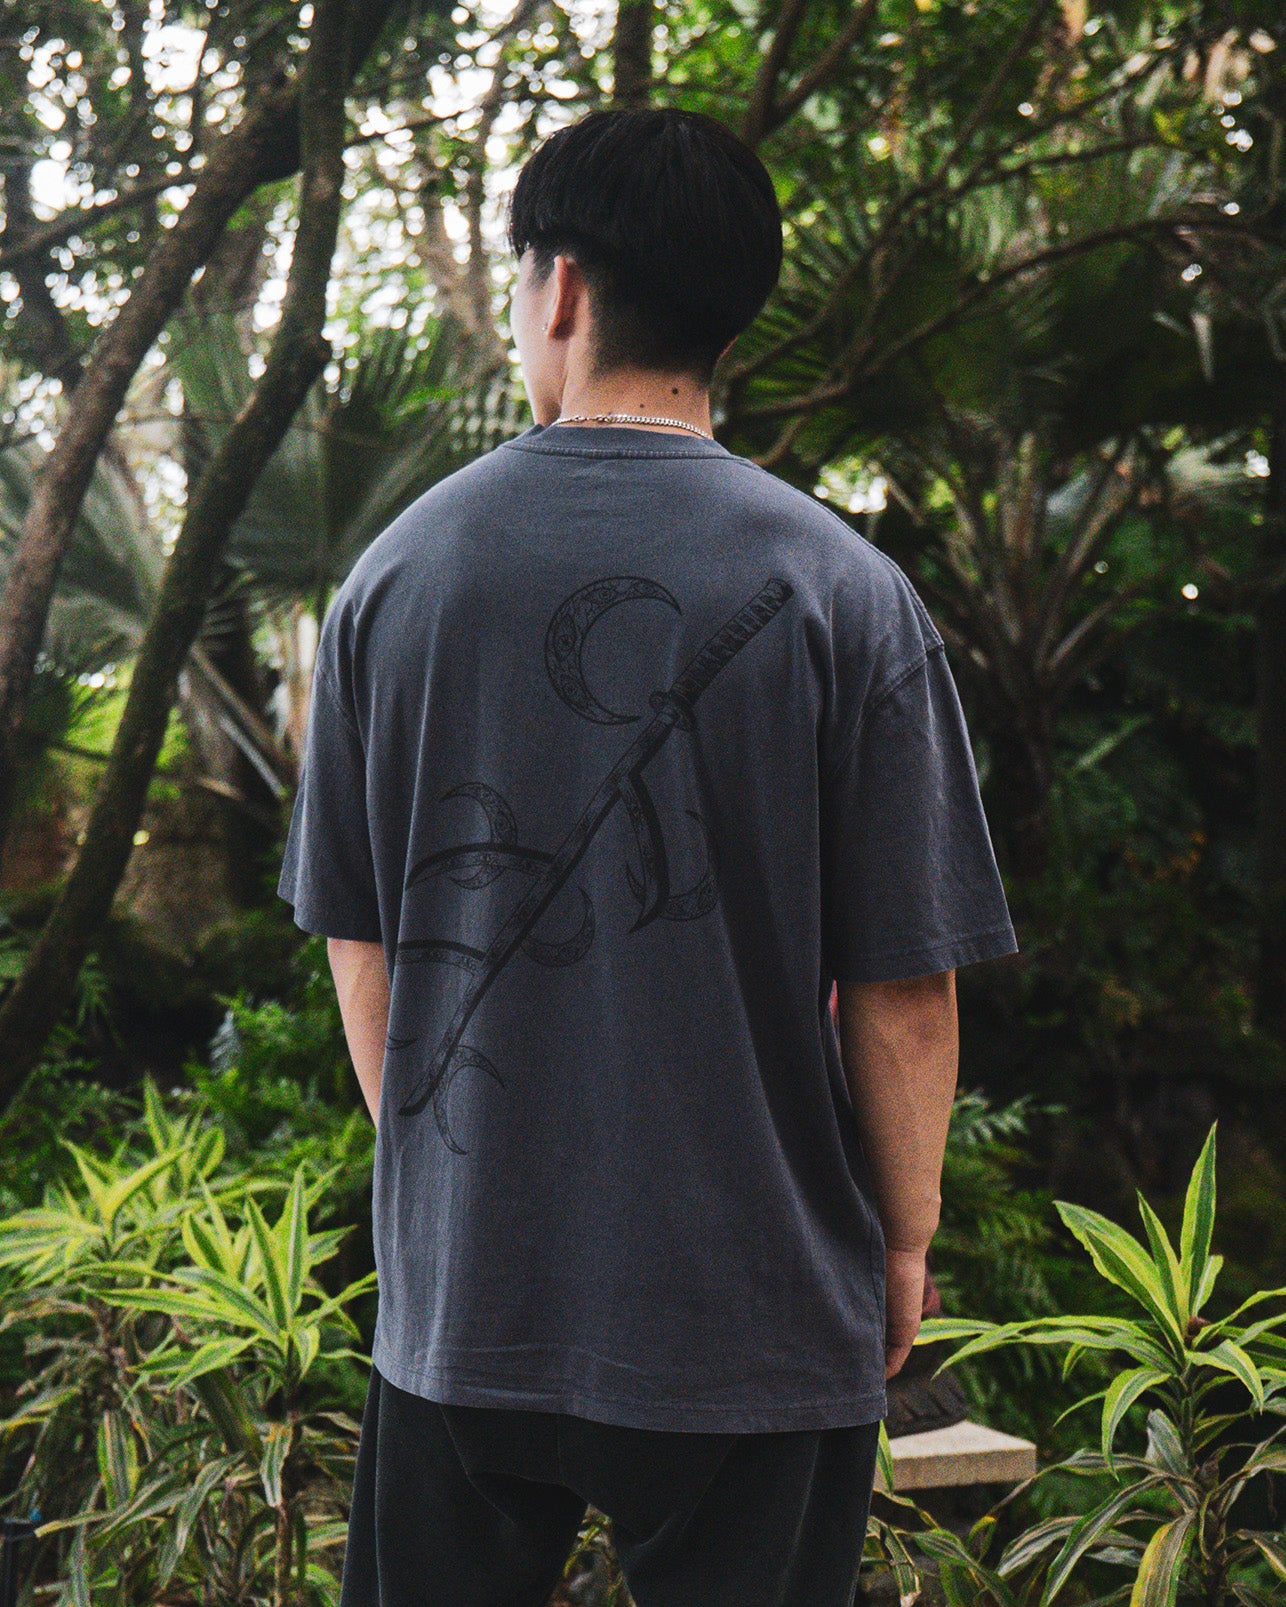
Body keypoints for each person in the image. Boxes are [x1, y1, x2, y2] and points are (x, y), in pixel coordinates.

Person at [278, 105, 1018, 1607]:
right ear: (727, 317)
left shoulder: (396, 579)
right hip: (756, 1310)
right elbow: (904, 992)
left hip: (470, 1307)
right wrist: (902, 1245)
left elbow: (365, 941)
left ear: (559, 288)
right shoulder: (847, 593)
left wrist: (444, 1186)